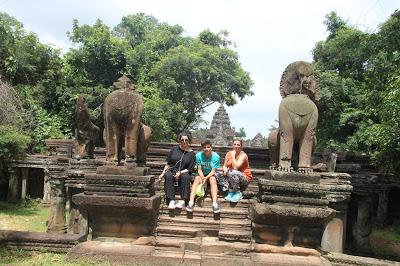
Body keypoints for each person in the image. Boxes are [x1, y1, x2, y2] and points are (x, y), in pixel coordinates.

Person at [159, 132, 196, 209]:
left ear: (189, 141)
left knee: (186, 177)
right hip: (172, 170)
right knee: (168, 175)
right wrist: (162, 173)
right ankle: (171, 200)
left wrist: (180, 173)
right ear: (179, 140)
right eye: (182, 140)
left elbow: (190, 168)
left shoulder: (192, 153)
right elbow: (168, 163)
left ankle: (183, 200)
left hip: (184, 171)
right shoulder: (174, 149)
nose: (184, 141)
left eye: (186, 140)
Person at [186, 139, 221, 213]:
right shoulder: (198, 155)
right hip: (201, 174)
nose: (206, 149)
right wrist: (202, 177)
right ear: (202, 148)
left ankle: (215, 203)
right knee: (197, 179)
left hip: (210, 174)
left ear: (211, 148)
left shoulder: (216, 156)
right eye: (204, 147)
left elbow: (213, 171)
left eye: (208, 147)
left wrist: (206, 178)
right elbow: (199, 169)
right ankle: (191, 202)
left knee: (213, 180)